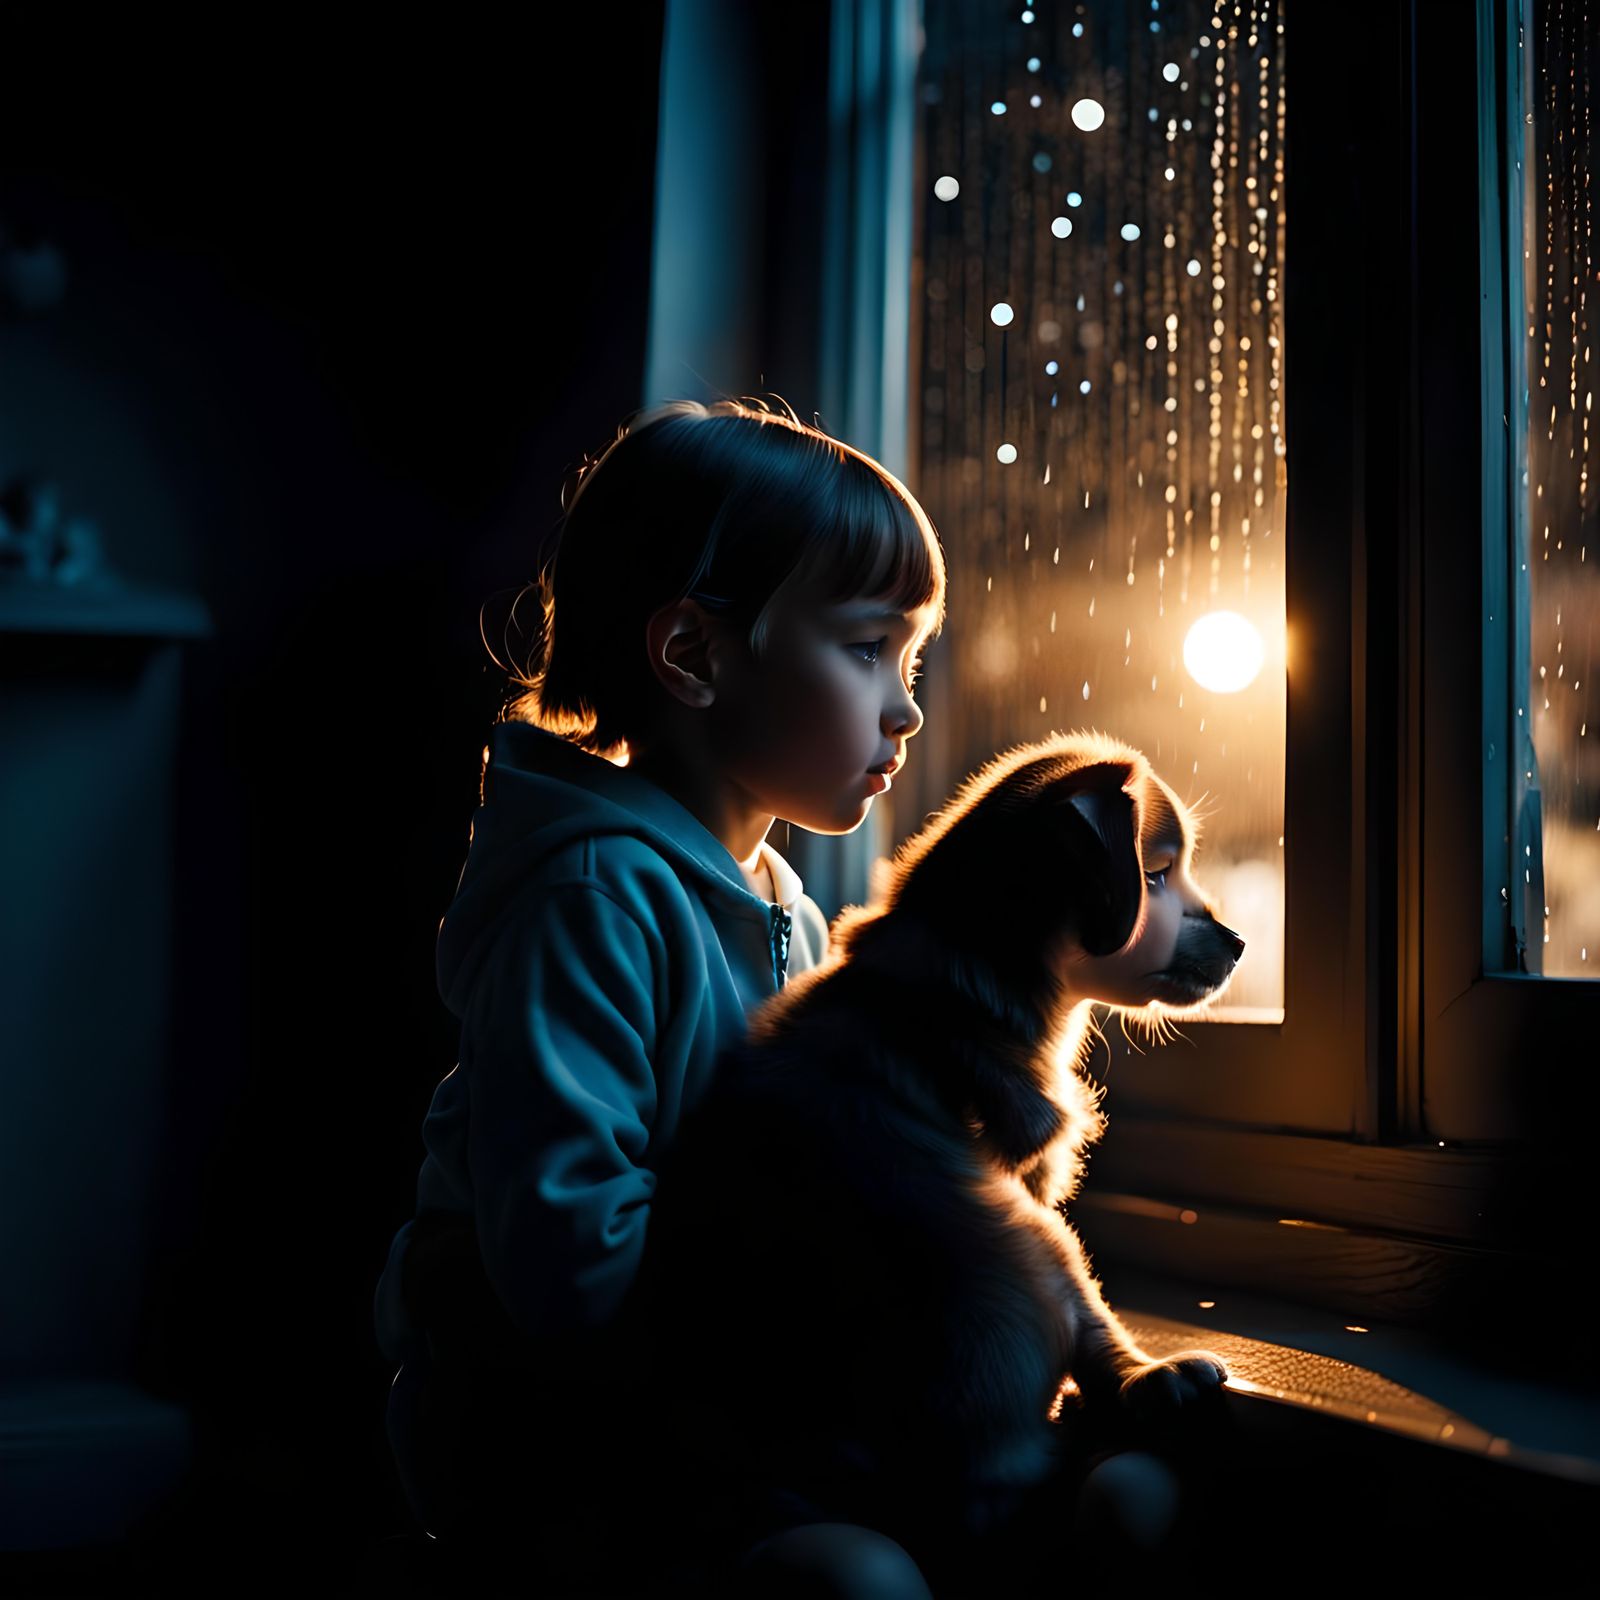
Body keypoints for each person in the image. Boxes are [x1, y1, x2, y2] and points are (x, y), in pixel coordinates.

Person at [372, 394, 1181, 1596]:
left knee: (1128, 1503)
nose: (905, 706)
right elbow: (566, 1261)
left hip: (755, 1413)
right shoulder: (589, 898)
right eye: (867, 651)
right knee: (859, 1581)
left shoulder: (791, 914)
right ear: (694, 654)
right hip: (576, 1438)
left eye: (908, 660)